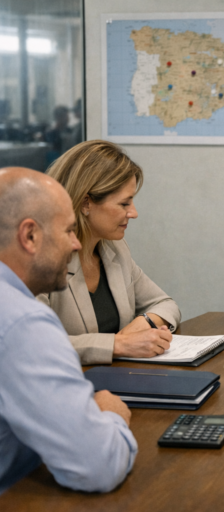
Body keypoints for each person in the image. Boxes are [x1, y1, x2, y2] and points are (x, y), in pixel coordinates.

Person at [0, 167, 137, 494]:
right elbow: (98, 465)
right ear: (30, 236)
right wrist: (111, 416)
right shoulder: (22, 323)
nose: (76, 244)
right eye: (68, 231)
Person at [38, 140, 181, 365]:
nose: (133, 213)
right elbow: (33, 343)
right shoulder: (36, 260)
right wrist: (118, 344)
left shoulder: (113, 248)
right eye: (124, 204)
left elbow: (165, 304)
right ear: (86, 203)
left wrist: (143, 323)